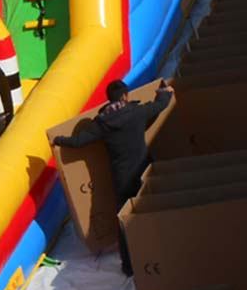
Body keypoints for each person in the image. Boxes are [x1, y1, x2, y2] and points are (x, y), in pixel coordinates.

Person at [52, 79, 174, 276]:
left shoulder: (102, 124)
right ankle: (160, 250)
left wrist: (58, 139)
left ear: (109, 99)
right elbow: (160, 105)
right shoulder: (137, 112)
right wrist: (165, 92)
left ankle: (128, 266)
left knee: (124, 220)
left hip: (122, 179)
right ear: (125, 96)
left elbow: (78, 141)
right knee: (152, 211)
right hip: (144, 173)